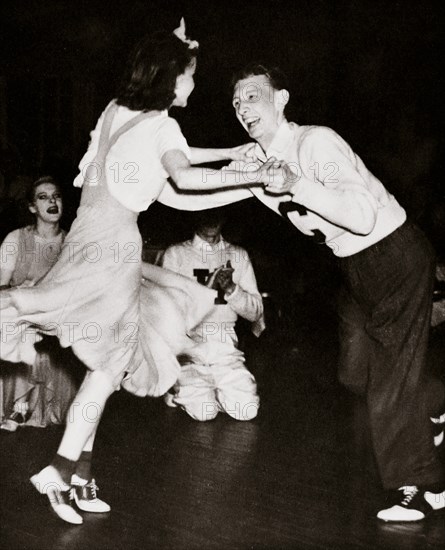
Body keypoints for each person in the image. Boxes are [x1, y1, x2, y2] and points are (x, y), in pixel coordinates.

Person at [0, 25, 287, 525]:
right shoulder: (163, 127)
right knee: (109, 369)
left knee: (103, 368)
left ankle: (82, 476)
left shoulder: (117, 112)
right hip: (114, 255)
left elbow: (173, 166)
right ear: (172, 77)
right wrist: (257, 175)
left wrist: (232, 157)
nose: (194, 87)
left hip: (86, 245)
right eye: (191, 76)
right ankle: (59, 469)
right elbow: (183, 179)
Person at [158, 63, 445, 522]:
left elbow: (363, 217)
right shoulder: (254, 161)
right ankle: (433, 406)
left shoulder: (315, 141)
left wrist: (296, 183)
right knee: (357, 374)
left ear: (281, 99)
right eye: (236, 102)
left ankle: (409, 486)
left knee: (391, 375)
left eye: (252, 96)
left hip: (393, 253)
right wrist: (137, 188)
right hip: (354, 266)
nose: (242, 107)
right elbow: (195, 193)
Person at [160, 209, 264, 421]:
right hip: (189, 345)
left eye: (216, 213)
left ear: (225, 216)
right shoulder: (176, 254)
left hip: (224, 345)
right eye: (204, 213)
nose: (210, 220)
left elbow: (256, 312)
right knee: (203, 413)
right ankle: (179, 386)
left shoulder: (238, 255)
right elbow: (165, 311)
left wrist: (232, 291)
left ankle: (207, 389)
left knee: (247, 410)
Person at [0, 176, 79, 432]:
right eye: (43, 197)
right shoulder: (16, 239)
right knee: (22, 329)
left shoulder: (73, 243)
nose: (52, 201)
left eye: (56, 196)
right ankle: (19, 407)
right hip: (20, 312)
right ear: (33, 207)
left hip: (58, 317)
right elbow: (1, 288)